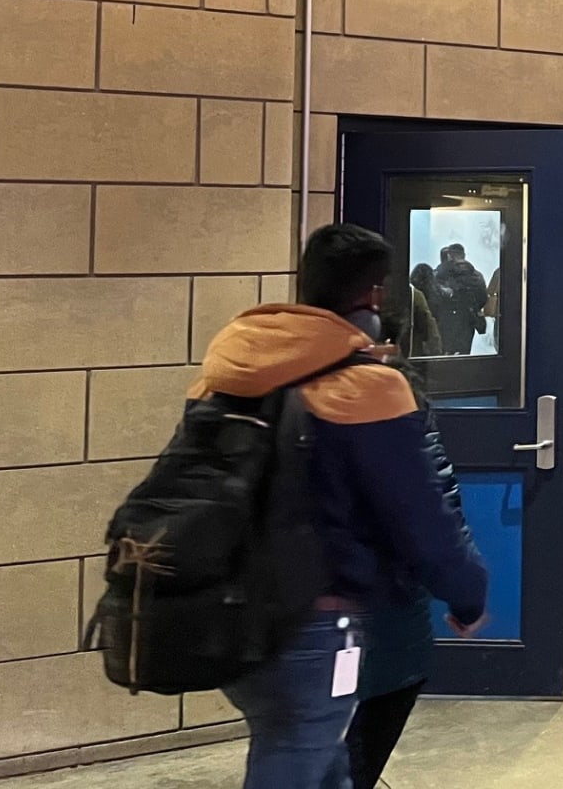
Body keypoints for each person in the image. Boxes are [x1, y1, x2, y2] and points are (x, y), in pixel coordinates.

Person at [200, 224, 486, 789]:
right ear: (376, 296)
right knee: (309, 760)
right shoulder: (368, 388)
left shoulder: (233, 367)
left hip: (232, 608)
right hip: (322, 626)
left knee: (311, 756)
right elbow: (424, 518)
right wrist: (468, 591)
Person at [345, 306, 473, 789]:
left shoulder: (259, 379)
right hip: (376, 604)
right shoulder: (393, 395)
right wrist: (463, 589)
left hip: (284, 614)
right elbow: (433, 502)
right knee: (363, 729)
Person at [432, 245, 488, 355]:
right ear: (464, 255)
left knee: (444, 357)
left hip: (445, 322)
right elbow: (483, 298)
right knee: (464, 356)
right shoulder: (476, 275)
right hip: (468, 322)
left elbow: (434, 297)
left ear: (449, 256)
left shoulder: (440, 274)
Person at [402, 264, 441, 358]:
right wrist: (436, 349)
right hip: (419, 347)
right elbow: (429, 324)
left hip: (406, 343)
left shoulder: (410, 293)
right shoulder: (434, 295)